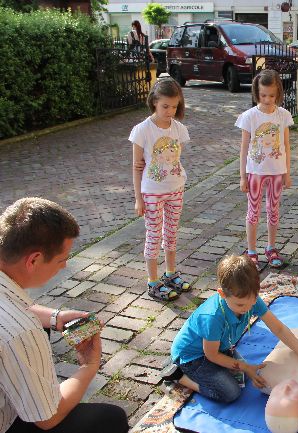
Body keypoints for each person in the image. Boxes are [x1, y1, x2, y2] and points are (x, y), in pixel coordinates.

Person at [0, 198, 129, 433]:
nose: (64, 266)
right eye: (62, 259)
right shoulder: (22, 330)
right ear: (34, 260)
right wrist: (89, 367)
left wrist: (56, 318)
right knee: (112, 419)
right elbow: (48, 417)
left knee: (45, 328)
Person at [164, 255, 298, 402]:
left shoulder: (250, 299)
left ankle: (218, 371)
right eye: (240, 304)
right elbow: (211, 355)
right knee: (231, 393)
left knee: (246, 376)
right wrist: (245, 367)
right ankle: (180, 377)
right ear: (222, 294)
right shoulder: (212, 317)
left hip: (219, 348)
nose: (247, 308)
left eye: (252, 302)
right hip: (193, 357)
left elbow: (279, 329)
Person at [130, 78, 191, 301]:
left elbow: (173, 161)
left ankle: (170, 273)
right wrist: (139, 198)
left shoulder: (179, 129)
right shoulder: (142, 131)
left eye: (174, 106)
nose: (170, 111)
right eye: (165, 106)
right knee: (154, 235)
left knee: (172, 232)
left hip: (176, 189)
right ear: (154, 102)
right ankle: (152, 281)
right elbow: (137, 167)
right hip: (152, 192)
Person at [236, 69, 294, 270]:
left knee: (273, 210)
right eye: (263, 95)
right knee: (253, 211)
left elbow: (286, 145)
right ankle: (251, 250)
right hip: (255, 173)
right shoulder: (249, 117)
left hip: (277, 172)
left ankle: (271, 247)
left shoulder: (283, 115)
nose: (268, 99)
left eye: (272, 95)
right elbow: (244, 148)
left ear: (278, 93)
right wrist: (243, 176)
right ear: (256, 93)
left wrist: (287, 173)